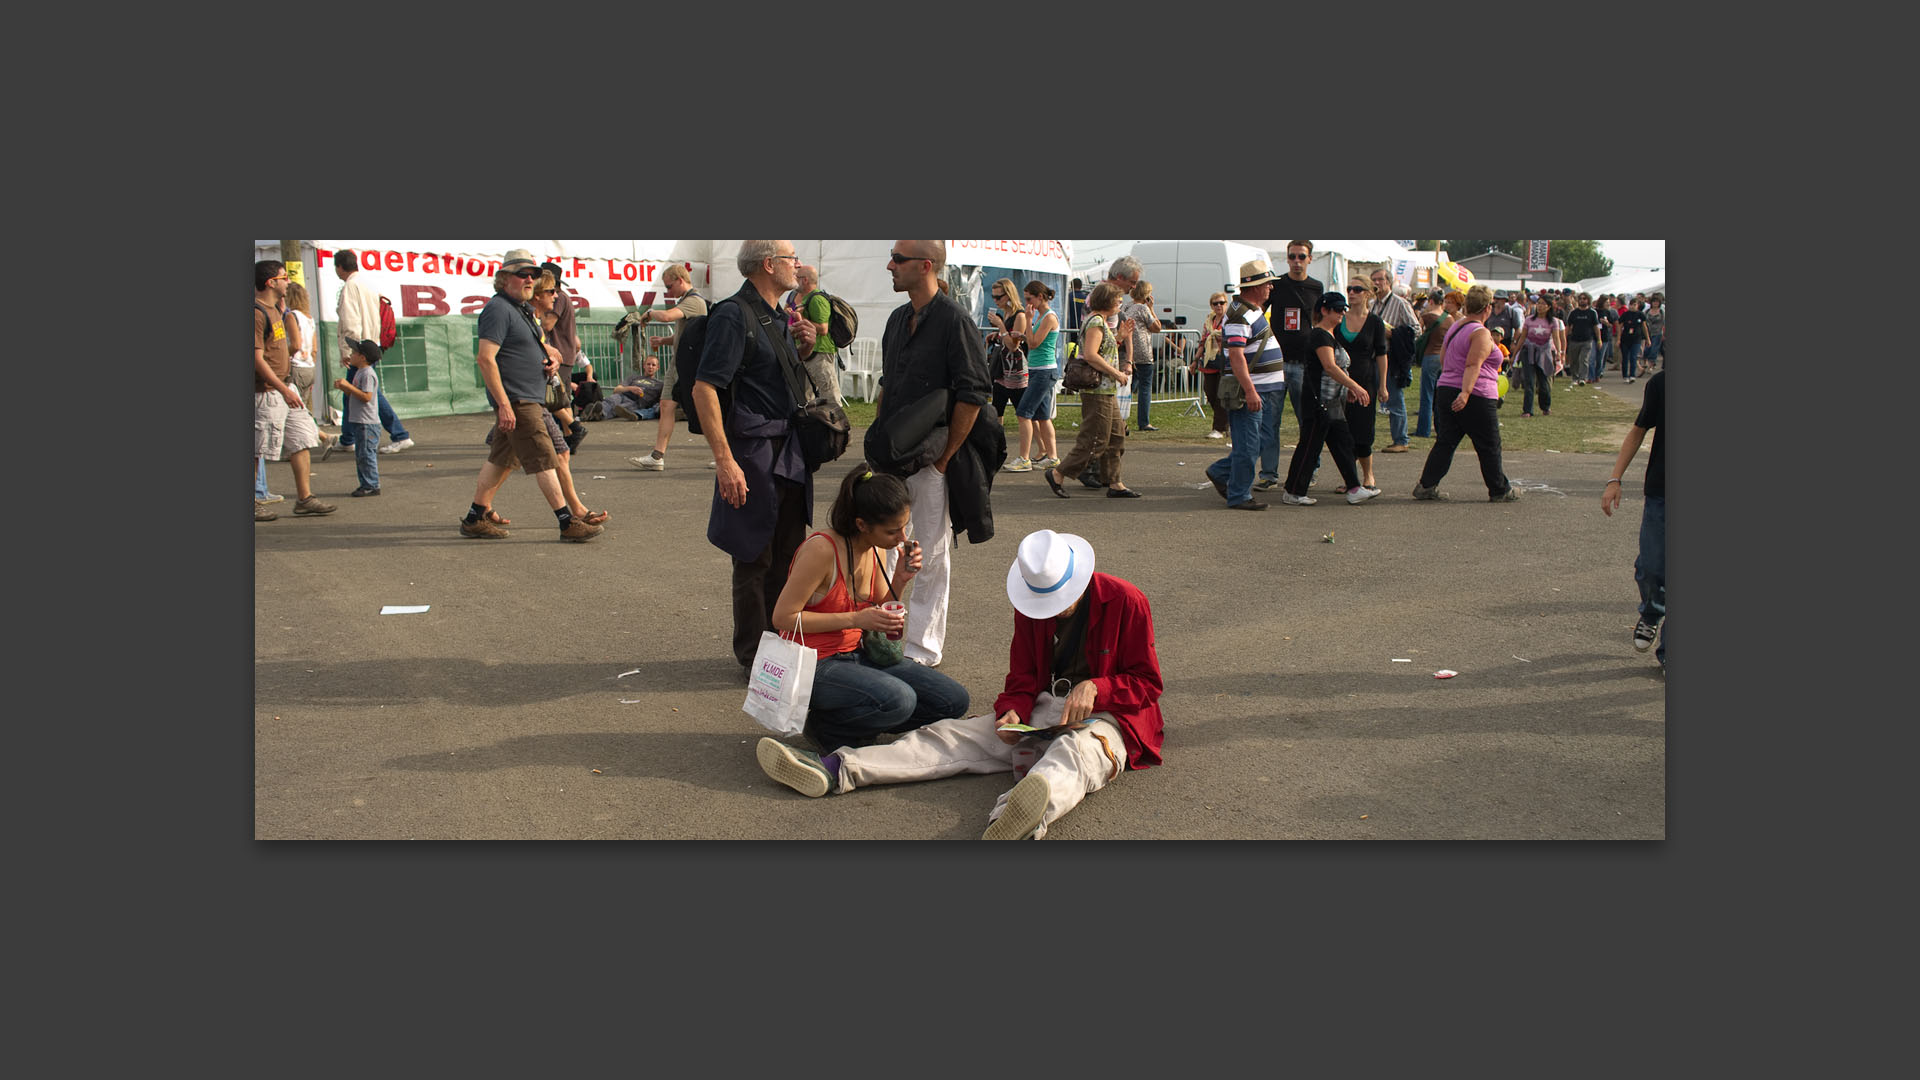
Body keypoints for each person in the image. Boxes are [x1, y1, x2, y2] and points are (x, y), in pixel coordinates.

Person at [754, 528, 1164, 841]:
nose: (1053, 611)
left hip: (1112, 715)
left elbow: (1148, 683)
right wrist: (1012, 710)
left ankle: (1023, 812)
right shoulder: (1031, 606)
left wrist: (1097, 688)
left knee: (1079, 753)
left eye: (1061, 601)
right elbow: (1022, 676)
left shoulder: (1127, 600)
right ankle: (838, 767)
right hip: (1045, 706)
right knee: (953, 735)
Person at [768, 465, 971, 753]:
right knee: (900, 699)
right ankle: (827, 726)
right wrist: (855, 618)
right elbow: (783, 618)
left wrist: (900, 578)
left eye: (904, 526)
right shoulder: (821, 550)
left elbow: (878, 607)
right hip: (813, 663)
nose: (902, 537)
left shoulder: (874, 548)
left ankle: (859, 724)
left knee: (953, 700)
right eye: (893, 531)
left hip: (857, 653)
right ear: (862, 524)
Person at [863, 240, 998, 669]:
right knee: (881, 548)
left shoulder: (954, 320)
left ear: (925, 266)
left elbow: (974, 394)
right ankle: (880, 636)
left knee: (928, 554)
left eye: (898, 260)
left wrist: (942, 462)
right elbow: (888, 385)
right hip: (892, 458)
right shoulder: (898, 319)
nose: (890, 266)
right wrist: (880, 441)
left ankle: (921, 649)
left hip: (931, 461)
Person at [693, 240, 819, 670]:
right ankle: (753, 657)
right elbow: (704, 387)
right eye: (791, 258)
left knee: (788, 554)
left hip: (788, 452)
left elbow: (772, 380)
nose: (797, 265)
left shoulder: (781, 315)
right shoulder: (733, 314)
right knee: (753, 556)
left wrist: (802, 349)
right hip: (752, 452)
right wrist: (725, 460)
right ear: (769, 264)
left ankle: (779, 648)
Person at [455, 249, 603, 542]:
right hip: (518, 400)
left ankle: (474, 518)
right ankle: (566, 522)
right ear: (504, 279)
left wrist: (550, 356)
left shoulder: (520, 310)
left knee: (500, 460)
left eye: (533, 275)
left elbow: (535, 343)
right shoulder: (498, 309)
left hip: (527, 397)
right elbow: (486, 359)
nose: (529, 279)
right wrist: (504, 405)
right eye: (522, 274)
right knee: (546, 458)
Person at [1412, 284, 1517, 502]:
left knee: (1447, 440)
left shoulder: (1456, 326)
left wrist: (1455, 383)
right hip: (1475, 394)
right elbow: (1473, 365)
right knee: (1489, 443)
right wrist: (1466, 392)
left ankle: (1426, 484)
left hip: (1447, 387)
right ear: (1487, 308)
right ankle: (1499, 489)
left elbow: (1444, 357)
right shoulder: (1480, 333)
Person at [1040, 282, 1139, 500]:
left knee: (1116, 435)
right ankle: (1058, 473)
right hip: (1097, 391)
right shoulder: (1095, 321)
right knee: (1095, 439)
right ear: (1107, 301)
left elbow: (1104, 350)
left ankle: (1115, 483)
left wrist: (1120, 337)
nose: (1120, 304)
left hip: (1106, 390)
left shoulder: (1100, 321)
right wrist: (1116, 373)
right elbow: (1091, 355)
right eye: (1117, 300)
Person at [255, 261, 336, 522]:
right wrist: (282, 388)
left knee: (301, 439)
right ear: (270, 283)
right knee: (257, 449)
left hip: (285, 387)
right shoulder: (257, 313)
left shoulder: (278, 309)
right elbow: (256, 358)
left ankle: (305, 499)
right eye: (283, 278)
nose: (287, 282)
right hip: (266, 391)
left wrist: (288, 386)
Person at [1203, 261, 1285, 511]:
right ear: (1254, 287)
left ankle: (1221, 473)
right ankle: (1238, 494)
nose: (1271, 287)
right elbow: (1236, 356)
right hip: (1252, 389)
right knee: (1249, 445)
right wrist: (1250, 390)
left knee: (1257, 442)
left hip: (1262, 388)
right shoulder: (1240, 314)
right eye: (1266, 283)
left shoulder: (1250, 309)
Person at [1281, 291, 1374, 506]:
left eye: (1344, 309)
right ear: (1324, 310)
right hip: (1318, 402)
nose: (1342, 313)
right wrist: (1355, 387)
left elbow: (1338, 368)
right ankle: (1294, 491)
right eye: (1338, 309)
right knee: (1310, 445)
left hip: (1333, 402)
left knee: (1343, 443)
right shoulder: (1320, 335)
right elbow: (1330, 366)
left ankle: (1354, 487)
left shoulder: (1330, 335)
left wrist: (1346, 388)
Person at [1602, 368, 1666, 670]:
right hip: (1662, 491)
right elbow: (1639, 430)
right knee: (1651, 568)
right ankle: (1652, 612)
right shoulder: (1661, 384)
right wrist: (1615, 479)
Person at [330, 250, 414, 456]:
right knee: (355, 394)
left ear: (340, 267)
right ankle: (348, 438)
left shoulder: (350, 286)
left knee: (363, 393)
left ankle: (399, 435)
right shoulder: (368, 283)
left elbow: (350, 322)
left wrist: (348, 350)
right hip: (372, 344)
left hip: (359, 348)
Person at [629, 262, 707, 471]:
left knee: (704, 409)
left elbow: (666, 316)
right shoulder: (688, 301)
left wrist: (650, 312)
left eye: (669, 286)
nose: (668, 291)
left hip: (687, 366)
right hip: (679, 365)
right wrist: (663, 341)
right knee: (666, 406)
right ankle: (657, 456)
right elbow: (683, 335)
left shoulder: (694, 301)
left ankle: (726, 452)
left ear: (680, 280)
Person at [1262, 240, 1325, 491]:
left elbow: (1321, 321)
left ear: (1310, 258)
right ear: (1287, 258)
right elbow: (1258, 310)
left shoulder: (1316, 287)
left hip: (1305, 363)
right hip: (1277, 363)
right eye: (1292, 257)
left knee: (1307, 421)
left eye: (1301, 256)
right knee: (1270, 421)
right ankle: (1268, 473)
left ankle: (1309, 470)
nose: (1296, 261)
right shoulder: (1277, 285)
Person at [1334, 280, 1389, 492]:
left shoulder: (1375, 322)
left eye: (1357, 289)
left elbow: (1382, 354)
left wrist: (1383, 385)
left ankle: (1368, 475)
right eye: (1349, 289)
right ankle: (1350, 477)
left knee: (1363, 431)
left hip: (1365, 381)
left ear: (1367, 294)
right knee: (1343, 431)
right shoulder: (1339, 318)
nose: (1351, 293)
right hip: (1340, 382)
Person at [1014, 280, 1062, 471]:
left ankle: (1024, 458)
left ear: (1040, 297)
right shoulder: (1042, 316)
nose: (1027, 303)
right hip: (1038, 369)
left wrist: (1026, 321)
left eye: (1029, 299)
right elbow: (1034, 341)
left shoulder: (1049, 317)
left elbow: (1034, 344)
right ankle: (1052, 457)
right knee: (1043, 416)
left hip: (1044, 371)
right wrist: (1024, 334)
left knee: (1023, 413)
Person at [1370, 269, 1418, 452]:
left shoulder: (1400, 303)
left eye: (1380, 279)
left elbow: (1416, 329)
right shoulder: (1372, 304)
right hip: (1373, 357)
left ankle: (1401, 440)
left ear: (1389, 282)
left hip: (1391, 357)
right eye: (1374, 280)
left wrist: (1393, 333)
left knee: (1394, 399)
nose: (1377, 283)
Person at [986, 278, 1031, 467]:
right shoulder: (1006, 313)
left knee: (1023, 414)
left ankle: (1026, 457)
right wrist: (997, 334)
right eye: (993, 296)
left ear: (1009, 295)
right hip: (1001, 371)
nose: (995, 300)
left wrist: (1001, 327)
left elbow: (1014, 346)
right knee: (997, 410)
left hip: (1016, 372)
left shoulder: (1019, 315)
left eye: (999, 296)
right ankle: (996, 449)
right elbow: (1005, 340)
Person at [333, 339, 383, 497]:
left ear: (362, 357)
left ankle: (371, 484)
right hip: (360, 421)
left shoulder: (367, 374)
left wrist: (347, 386)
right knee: (361, 454)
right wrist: (344, 387)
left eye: (354, 353)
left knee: (367, 454)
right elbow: (355, 394)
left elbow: (366, 396)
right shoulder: (360, 372)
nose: (351, 355)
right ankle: (365, 483)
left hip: (367, 423)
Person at [792, 264, 845, 408]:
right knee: (807, 397)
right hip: (811, 353)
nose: (794, 279)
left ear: (805, 280)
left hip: (820, 353)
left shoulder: (817, 299)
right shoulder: (806, 298)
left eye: (797, 277)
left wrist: (800, 318)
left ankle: (839, 427)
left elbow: (823, 328)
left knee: (830, 394)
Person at [1414, 289, 1460, 438]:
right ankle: (1441, 427)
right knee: (1440, 396)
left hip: (1430, 356)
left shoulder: (1427, 316)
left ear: (1431, 301)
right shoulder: (1449, 319)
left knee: (1427, 395)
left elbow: (1418, 332)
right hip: (1444, 358)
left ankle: (1423, 429)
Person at [1122, 280, 1163, 431]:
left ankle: (1120, 418)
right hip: (1143, 353)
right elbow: (1156, 327)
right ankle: (1144, 422)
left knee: (1128, 387)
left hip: (1129, 352)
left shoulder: (1127, 306)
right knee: (1145, 388)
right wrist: (1151, 308)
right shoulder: (1143, 309)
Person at [1195, 291, 1231, 439]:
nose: (1218, 306)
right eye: (1215, 303)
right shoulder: (1209, 321)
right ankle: (1227, 423)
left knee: (1221, 395)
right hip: (1209, 360)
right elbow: (1203, 340)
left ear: (1226, 304)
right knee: (1209, 392)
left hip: (1225, 360)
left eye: (1221, 303)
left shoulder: (1229, 320)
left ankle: (1218, 428)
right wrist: (1195, 359)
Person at [1516, 297, 1558, 417]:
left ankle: (1545, 406)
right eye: (1538, 303)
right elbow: (1522, 337)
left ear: (1548, 306)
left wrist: (1559, 352)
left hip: (1544, 353)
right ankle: (1528, 410)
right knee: (1529, 382)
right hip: (1528, 352)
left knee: (1544, 382)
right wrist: (1515, 354)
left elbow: (1556, 338)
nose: (1539, 306)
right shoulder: (1529, 320)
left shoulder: (1553, 322)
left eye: (1543, 304)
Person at [604, 353, 664, 420]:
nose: (650, 367)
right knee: (610, 400)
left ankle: (598, 415)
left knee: (619, 408)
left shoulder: (660, 384)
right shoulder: (633, 377)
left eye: (653, 365)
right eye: (648, 364)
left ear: (657, 367)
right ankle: (597, 411)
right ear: (644, 365)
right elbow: (616, 390)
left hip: (636, 403)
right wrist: (630, 388)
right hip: (622, 396)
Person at [1564, 291, 1601, 387]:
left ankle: (1582, 378)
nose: (1582, 300)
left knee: (1584, 360)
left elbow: (1596, 327)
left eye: (1584, 299)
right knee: (1574, 360)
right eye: (1580, 299)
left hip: (1587, 340)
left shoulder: (1592, 313)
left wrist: (1599, 339)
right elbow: (1568, 326)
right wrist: (1564, 338)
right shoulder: (1573, 313)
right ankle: (1575, 378)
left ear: (1588, 300)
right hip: (1574, 340)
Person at [1618, 297, 1648, 383]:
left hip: (1636, 339)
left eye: (1634, 305)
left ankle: (1632, 375)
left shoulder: (1641, 315)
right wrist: (1619, 339)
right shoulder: (1625, 314)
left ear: (1638, 305)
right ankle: (1625, 375)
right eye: (1631, 304)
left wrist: (1647, 339)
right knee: (1625, 358)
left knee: (1633, 357)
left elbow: (1644, 327)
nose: (1632, 306)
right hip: (1625, 339)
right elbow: (1620, 326)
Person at [1642, 294, 1665, 371]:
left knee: (1654, 349)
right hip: (1648, 332)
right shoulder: (1647, 311)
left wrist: (1664, 334)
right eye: (1654, 302)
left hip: (1658, 333)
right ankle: (1645, 362)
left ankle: (1651, 365)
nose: (1655, 303)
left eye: (1657, 302)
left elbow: (1664, 323)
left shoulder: (1662, 312)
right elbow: (1643, 321)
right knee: (1646, 349)